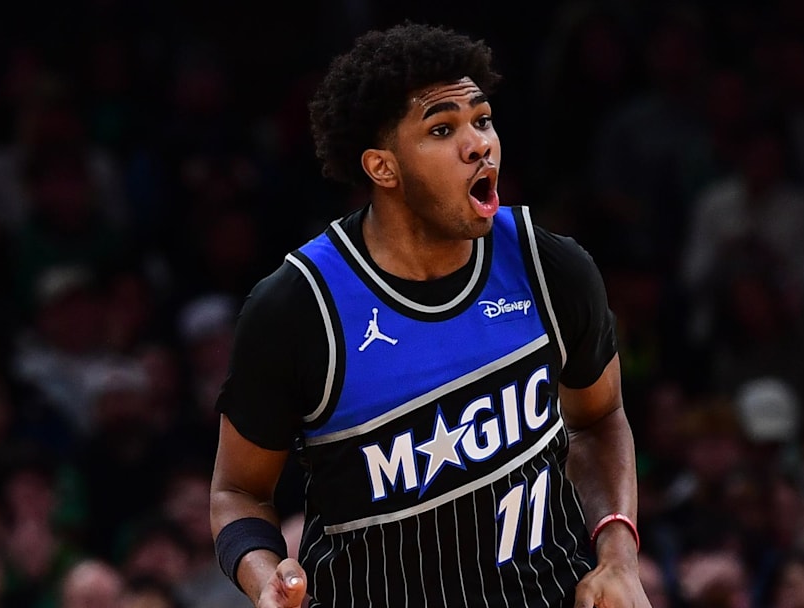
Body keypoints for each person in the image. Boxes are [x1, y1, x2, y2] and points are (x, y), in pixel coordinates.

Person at [209, 22, 649, 608]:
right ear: (382, 168)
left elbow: (598, 420)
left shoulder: (549, 266)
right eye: (443, 129)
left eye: (483, 120)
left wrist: (618, 557)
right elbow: (238, 490)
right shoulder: (299, 308)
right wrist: (264, 578)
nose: (479, 144)